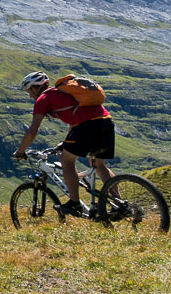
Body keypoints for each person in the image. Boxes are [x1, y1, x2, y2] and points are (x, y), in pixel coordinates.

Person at [13, 71, 116, 217]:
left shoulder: (44, 99)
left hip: (86, 125)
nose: (29, 95)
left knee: (66, 161)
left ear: (36, 88)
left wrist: (21, 151)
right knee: (99, 164)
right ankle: (119, 204)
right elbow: (75, 118)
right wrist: (66, 141)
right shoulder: (66, 93)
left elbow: (33, 130)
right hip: (106, 121)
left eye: (29, 91)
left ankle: (75, 203)